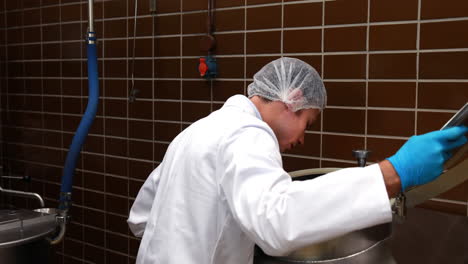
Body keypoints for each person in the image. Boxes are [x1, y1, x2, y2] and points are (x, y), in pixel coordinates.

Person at [127, 57, 467, 264]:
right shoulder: (248, 135)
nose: (302, 138)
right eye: (308, 122)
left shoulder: (198, 131)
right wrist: (394, 172)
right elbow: (279, 221)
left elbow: (141, 218)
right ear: (292, 99)